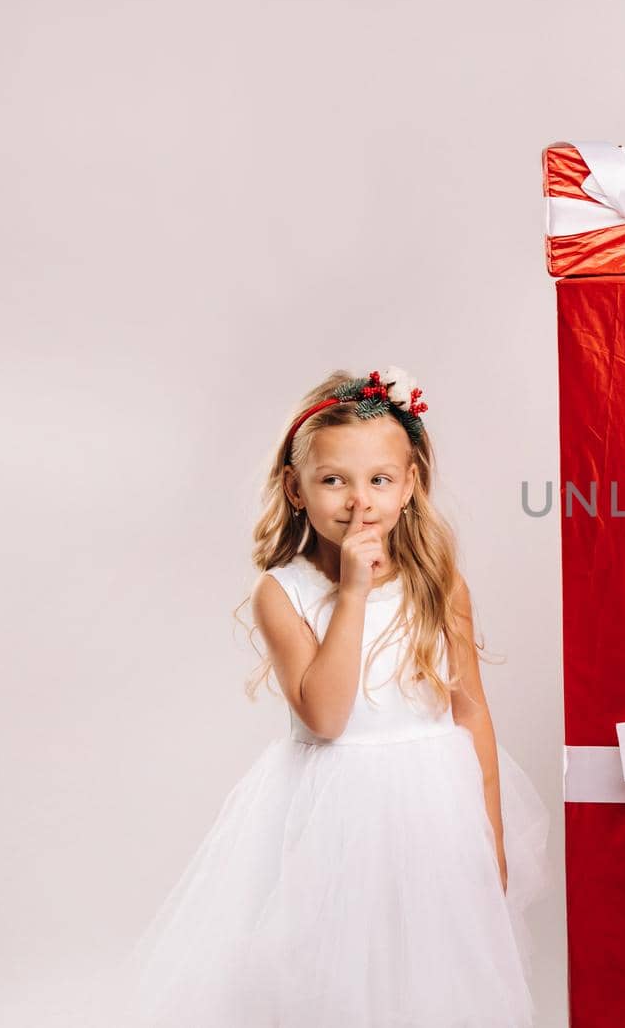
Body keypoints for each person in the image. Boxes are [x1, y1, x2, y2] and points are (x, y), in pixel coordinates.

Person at [125, 367, 546, 1027]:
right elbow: (325, 715)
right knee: (340, 979)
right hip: (331, 820)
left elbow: (470, 710)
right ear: (296, 488)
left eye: (379, 478)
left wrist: (489, 836)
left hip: (436, 813)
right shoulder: (282, 592)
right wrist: (351, 592)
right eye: (334, 480)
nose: (359, 501)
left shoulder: (439, 583)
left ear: (410, 484)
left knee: (433, 975)